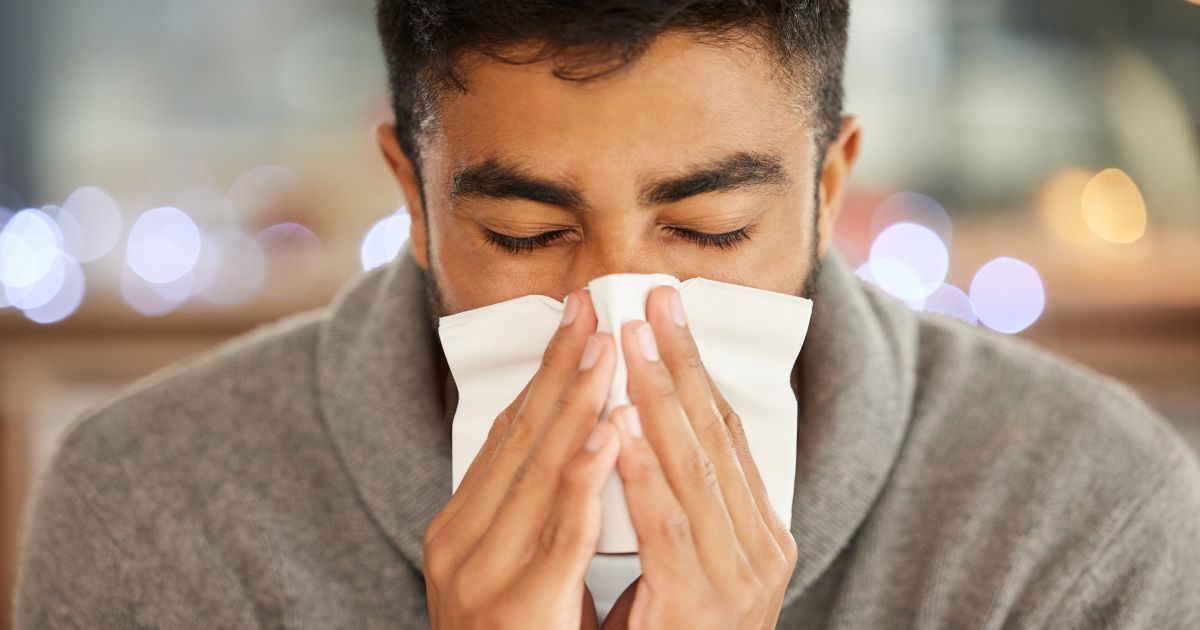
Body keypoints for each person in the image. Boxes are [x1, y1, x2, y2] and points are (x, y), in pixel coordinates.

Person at [14, 1, 1200, 628]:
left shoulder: (1081, 516)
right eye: (525, 235)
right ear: (414, 200)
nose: (618, 312)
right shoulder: (153, 503)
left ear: (829, 187)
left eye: (712, 227)